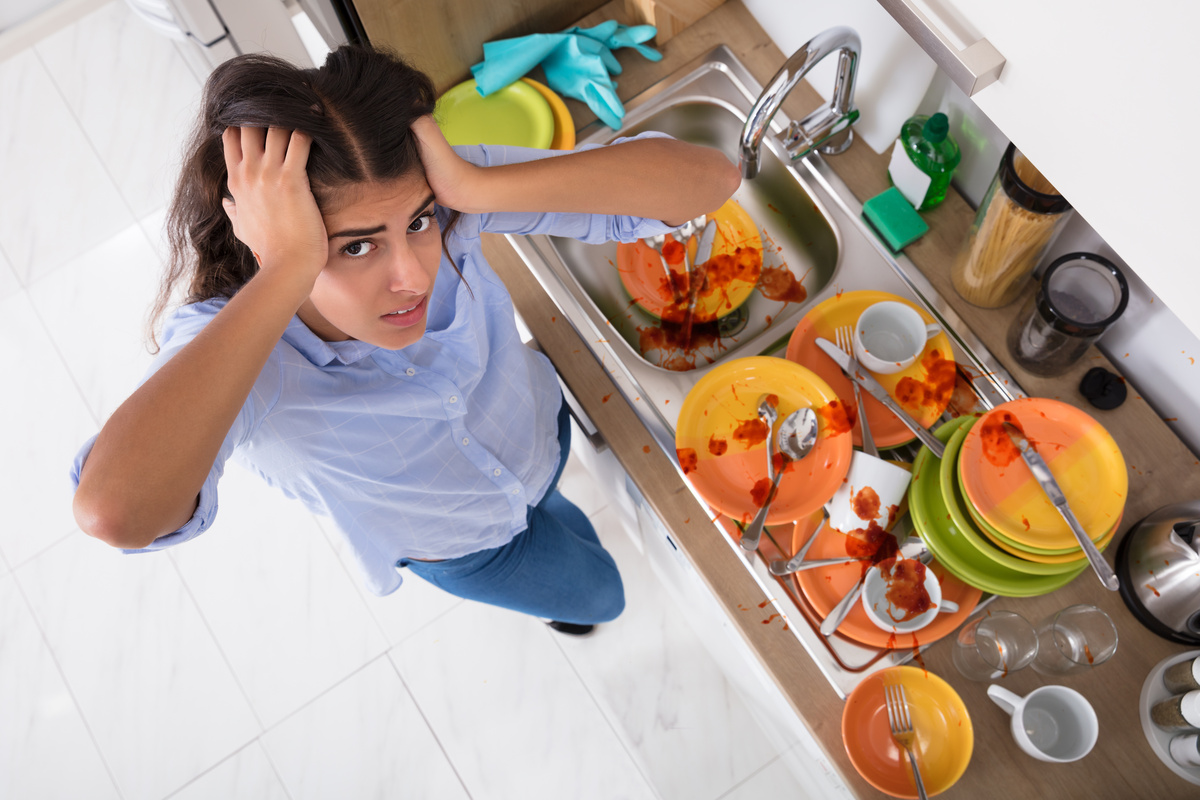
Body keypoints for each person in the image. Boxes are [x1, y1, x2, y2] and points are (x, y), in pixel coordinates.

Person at [70, 44, 739, 635]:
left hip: (537, 434)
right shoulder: (244, 349)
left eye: (418, 223)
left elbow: (711, 181)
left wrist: (474, 188)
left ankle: (548, 512)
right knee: (601, 595)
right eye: (355, 245)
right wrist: (287, 271)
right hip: (460, 544)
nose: (413, 275)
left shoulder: (451, 200)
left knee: (554, 505)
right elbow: (116, 512)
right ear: (269, 238)